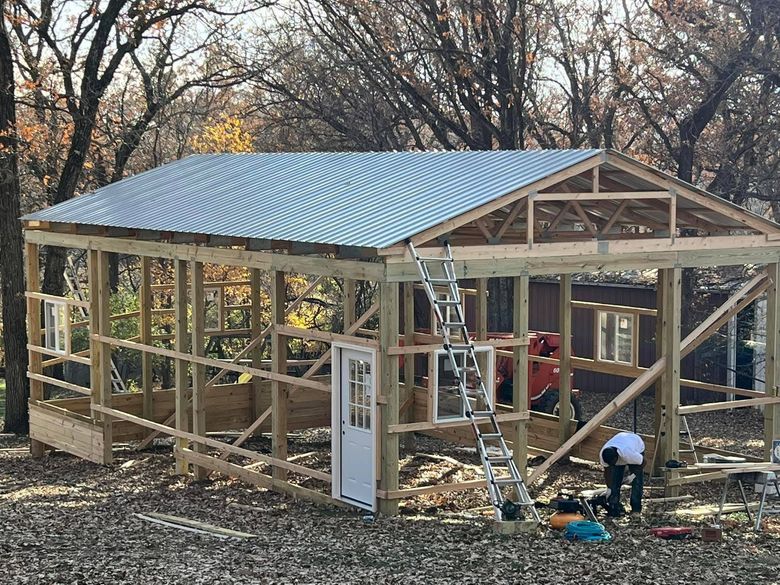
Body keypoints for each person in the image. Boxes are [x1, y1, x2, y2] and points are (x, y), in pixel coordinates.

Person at [599, 431, 645, 517]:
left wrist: (633, 475)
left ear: (616, 457)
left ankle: (636, 509)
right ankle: (615, 506)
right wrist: (609, 488)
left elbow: (643, 462)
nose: (612, 465)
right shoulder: (603, 455)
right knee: (615, 480)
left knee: (637, 482)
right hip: (621, 442)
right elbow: (607, 471)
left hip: (635, 445)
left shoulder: (628, 454)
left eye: (613, 462)